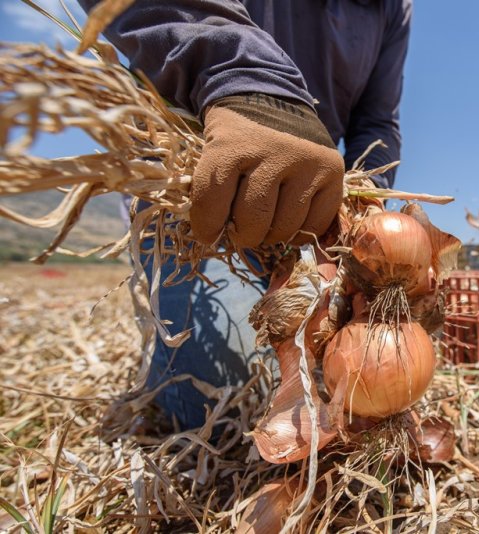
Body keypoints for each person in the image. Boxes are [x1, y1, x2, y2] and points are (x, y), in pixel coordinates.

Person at [77, 0, 413, 430]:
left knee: (337, 382)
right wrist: (244, 81)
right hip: (198, 207)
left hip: (308, 216)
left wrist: (361, 211)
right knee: (235, 408)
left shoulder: (393, 7)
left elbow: (377, 121)